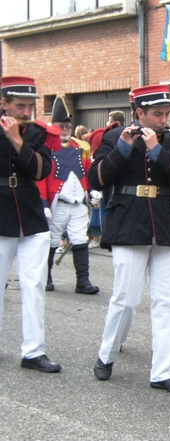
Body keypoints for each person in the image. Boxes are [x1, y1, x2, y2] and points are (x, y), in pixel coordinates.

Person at [88, 84, 170, 393]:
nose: (163, 119)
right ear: (140, 114)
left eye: (166, 114)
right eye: (157, 114)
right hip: (127, 220)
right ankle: (106, 354)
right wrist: (122, 149)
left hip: (165, 220)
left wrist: (157, 151)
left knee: (167, 301)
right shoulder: (112, 137)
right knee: (126, 298)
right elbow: (96, 179)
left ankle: (163, 370)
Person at [0, 76, 62, 373]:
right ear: (4, 103)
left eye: (30, 106)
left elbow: (41, 170)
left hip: (30, 212)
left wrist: (17, 140)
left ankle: (33, 351)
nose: (26, 112)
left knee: (34, 284)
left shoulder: (37, 133)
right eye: (19, 106)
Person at [39, 96, 100, 294]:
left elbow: (88, 173)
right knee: (52, 240)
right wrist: (43, 204)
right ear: (53, 126)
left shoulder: (80, 147)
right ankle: (45, 278)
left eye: (67, 125)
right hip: (57, 203)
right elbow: (41, 179)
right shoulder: (45, 148)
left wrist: (92, 191)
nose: (64, 129)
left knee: (80, 239)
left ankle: (83, 282)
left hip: (78, 203)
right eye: (60, 125)